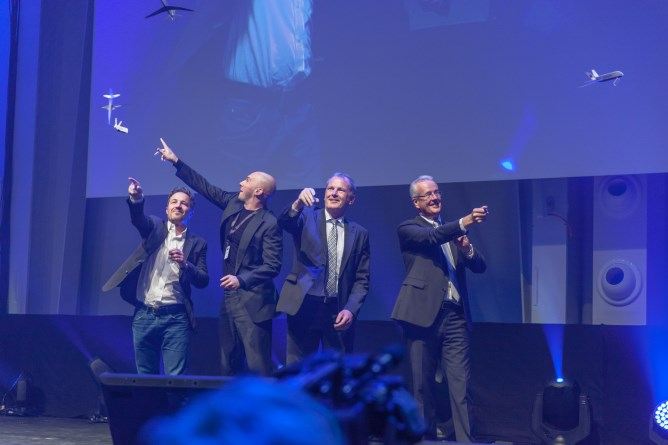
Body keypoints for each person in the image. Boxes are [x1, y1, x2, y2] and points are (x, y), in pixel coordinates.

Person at [156, 139, 282, 376]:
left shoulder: (269, 223)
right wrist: (176, 162)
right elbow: (205, 187)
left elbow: (273, 265)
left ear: (258, 191)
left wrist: (241, 279)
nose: (241, 183)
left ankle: (262, 401)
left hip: (254, 300)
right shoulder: (234, 204)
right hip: (229, 297)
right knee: (227, 360)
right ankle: (228, 400)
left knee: (258, 365)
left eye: (247, 180)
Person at [391, 175, 488, 442]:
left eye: (437, 193)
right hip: (420, 316)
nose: (435, 198)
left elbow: (479, 266)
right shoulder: (409, 228)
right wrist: (464, 222)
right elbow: (431, 237)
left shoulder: (452, 231)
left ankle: (466, 440)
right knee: (421, 386)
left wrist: (467, 248)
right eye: (428, 195)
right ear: (416, 203)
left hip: (455, 316)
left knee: (460, 384)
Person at [102, 178, 209, 375]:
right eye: (174, 202)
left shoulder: (197, 243)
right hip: (145, 314)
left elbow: (203, 280)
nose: (178, 205)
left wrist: (186, 264)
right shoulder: (155, 227)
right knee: (145, 377)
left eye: (184, 203)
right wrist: (136, 199)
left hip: (176, 318)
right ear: (167, 209)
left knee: (175, 379)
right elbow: (138, 220)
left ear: (191, 212)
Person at [277, 173, 370, 365]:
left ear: (351, 199)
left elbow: (362, 279)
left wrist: (351, 310)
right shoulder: (307, 216)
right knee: (298, 370)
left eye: (340, 190)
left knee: (338, 371)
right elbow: (285, 222)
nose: (334, 193)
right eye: (330, 188)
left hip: (338, 309)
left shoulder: (359, 233)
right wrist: (298, 204)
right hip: (304, 305)